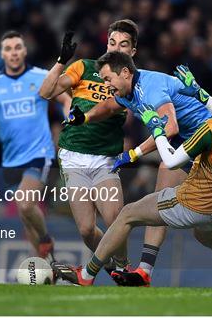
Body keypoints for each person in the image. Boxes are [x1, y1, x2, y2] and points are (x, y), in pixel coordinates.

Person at [51, 73, 212, 290]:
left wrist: (157, 130)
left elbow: (172, 160)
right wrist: (201, 94)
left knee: (127, 214)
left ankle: (87, 273)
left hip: (192, 203)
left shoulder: (211, 129)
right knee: (206, 235)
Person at [39, 20, 139, 273]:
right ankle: (112, 266)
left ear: (133, 52)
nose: (116, 48)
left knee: (115, 218)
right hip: (73, 155)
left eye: (123, 44)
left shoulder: (133, 81)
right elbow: (45, 92)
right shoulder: (84, 67)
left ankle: (123, 267)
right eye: (112, 42)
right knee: (85, 229)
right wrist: (62, 60)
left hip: (106, 158)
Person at [0, 31, 71, 260]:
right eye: (8, 48)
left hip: (40, 153)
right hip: (11, 158)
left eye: (17, 48)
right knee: (26, 218)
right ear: (2, 53)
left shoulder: (41, 76)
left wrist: (70, 118)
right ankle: (45, 265)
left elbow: (65, 99)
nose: (13, 53)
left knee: (25, 203)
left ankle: (46, 239)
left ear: (24, 51)